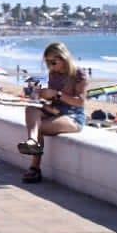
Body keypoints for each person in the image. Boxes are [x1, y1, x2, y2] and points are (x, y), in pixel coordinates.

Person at [16, 41, 87, 184]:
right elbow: (53, 98)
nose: (51, 66)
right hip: (55, 110)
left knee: (39, 127)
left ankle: (34, 167)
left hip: (73, 116)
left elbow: (80, 102)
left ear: (63, 57)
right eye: (48, 62)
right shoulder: (53, 73)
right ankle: (32, 141)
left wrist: (57, 94)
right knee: (31, 108)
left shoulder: (78, 74)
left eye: (53, 62)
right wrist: (42, 95)